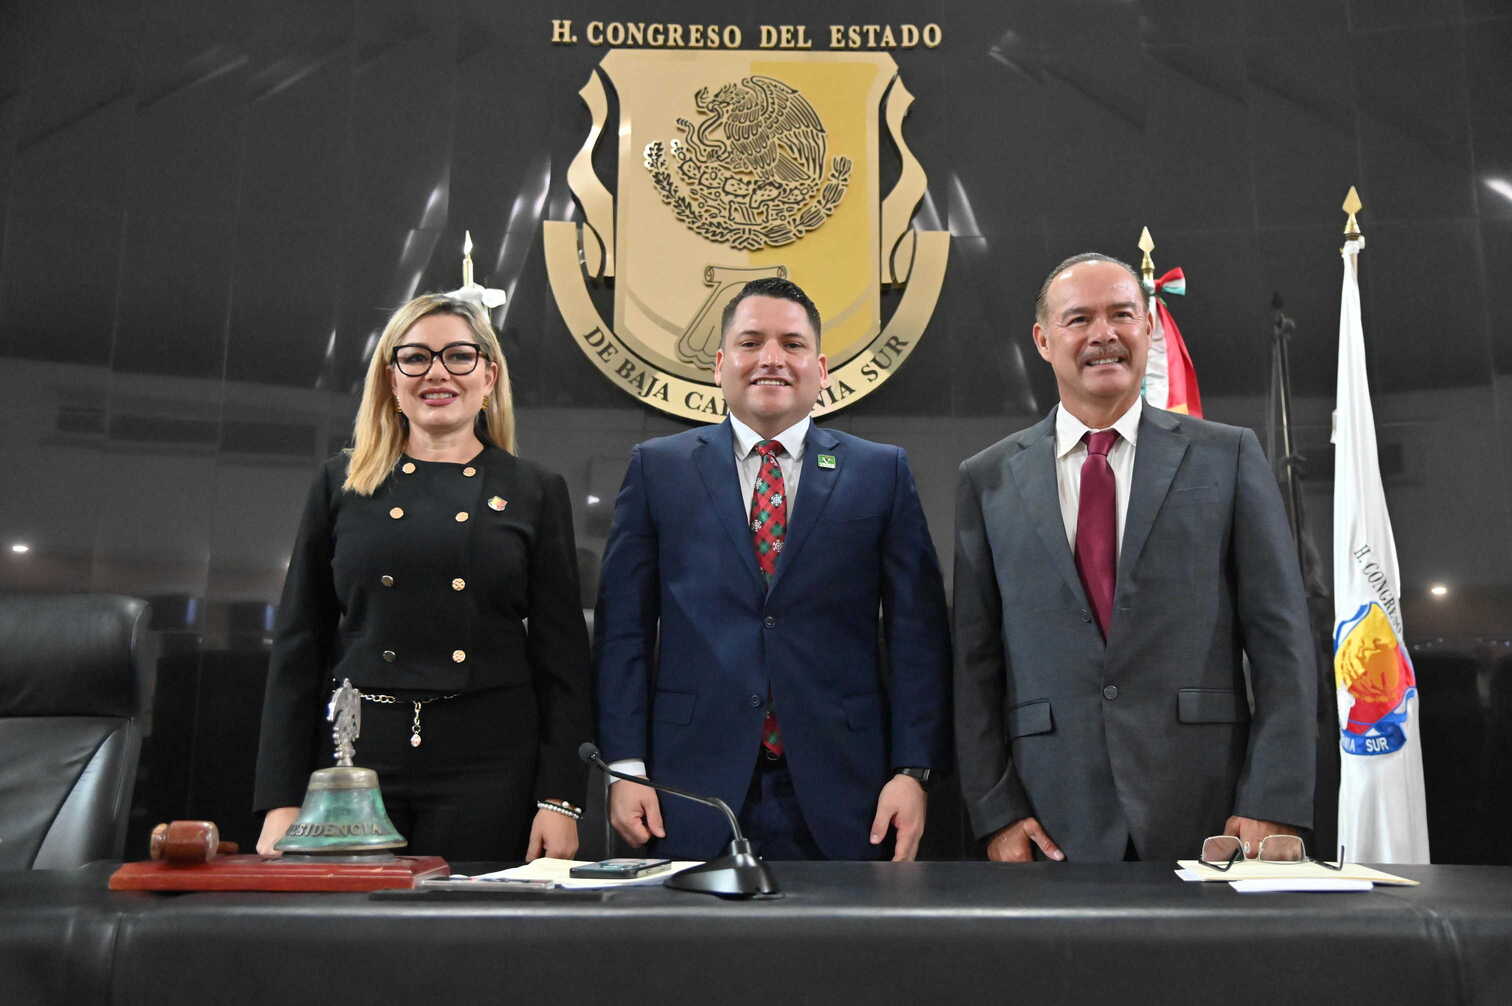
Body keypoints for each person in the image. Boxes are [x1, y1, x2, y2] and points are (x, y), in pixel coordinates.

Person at [953, 253, 1317, 864]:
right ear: (1043, 341)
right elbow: (973, 663)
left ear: (1148, 327)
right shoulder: (987, 478)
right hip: (1050, 816)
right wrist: (996, 814)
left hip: (1208, 806)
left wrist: (1272, 797)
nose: (1104, 334)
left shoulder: (1227, 456)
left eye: (1122, 314)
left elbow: (1282, 641)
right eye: (1079, 319)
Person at [594, 277, 951, 861]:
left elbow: (917, 635)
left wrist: (912, 771)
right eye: (750, 342)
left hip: (849, 787)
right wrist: (625, 766)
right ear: (719, 365)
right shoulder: (659, 470)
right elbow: (623, 632)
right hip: (686, 785)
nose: (771, 359)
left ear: (821, 369)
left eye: (792, 344)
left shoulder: (880, 472)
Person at [253, 293, 592, 861]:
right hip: (356, 760)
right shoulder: (340, 484)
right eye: (415, 357)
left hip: (491, 763)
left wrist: (561, 799)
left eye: (458, 356)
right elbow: (298, 645)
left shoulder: (535, 490)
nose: (437, 373)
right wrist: (282, 798)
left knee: (468, 918)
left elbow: (564, 659)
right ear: (391, 379)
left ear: (489, 376)